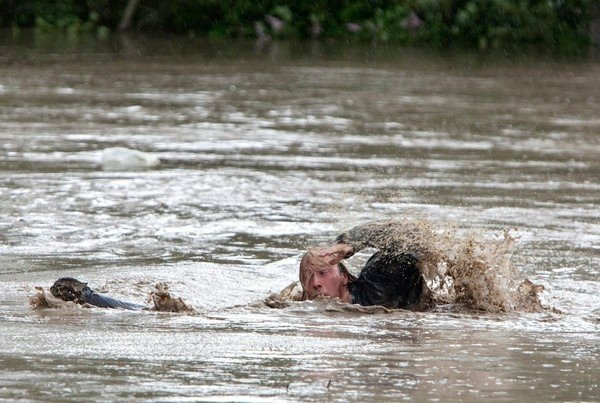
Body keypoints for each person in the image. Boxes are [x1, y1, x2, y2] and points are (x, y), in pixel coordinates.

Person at [299, 220, 432, 310]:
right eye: (308, 277)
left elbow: (413, 237)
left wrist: (353, 240)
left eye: (322, 273)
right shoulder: (302, 305)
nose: (315, 283)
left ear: (344, 277)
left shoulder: (377, 279)